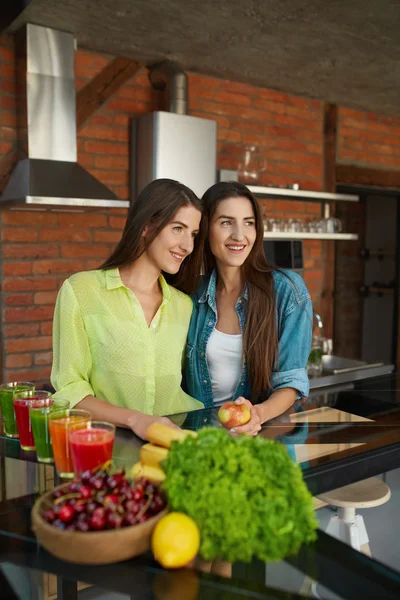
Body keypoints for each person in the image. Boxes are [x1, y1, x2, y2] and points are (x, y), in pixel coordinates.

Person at [51, 178, 204, 440]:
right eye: (177, 228)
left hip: (179, 444)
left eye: (192, 234)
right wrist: (136, 420)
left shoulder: (184, 305)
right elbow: (70, 389)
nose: (187, 246)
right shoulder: (81, 291)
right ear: (146, 225)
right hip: (110, 448)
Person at [185, 181, 312, 436]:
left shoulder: (287, 291)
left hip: (262, 440)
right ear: (206, 228)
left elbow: (291, 382)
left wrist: (257, 415)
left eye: (248, 222)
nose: (239, 235)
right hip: (201, 440)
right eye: (226, 222)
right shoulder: (191, 295)